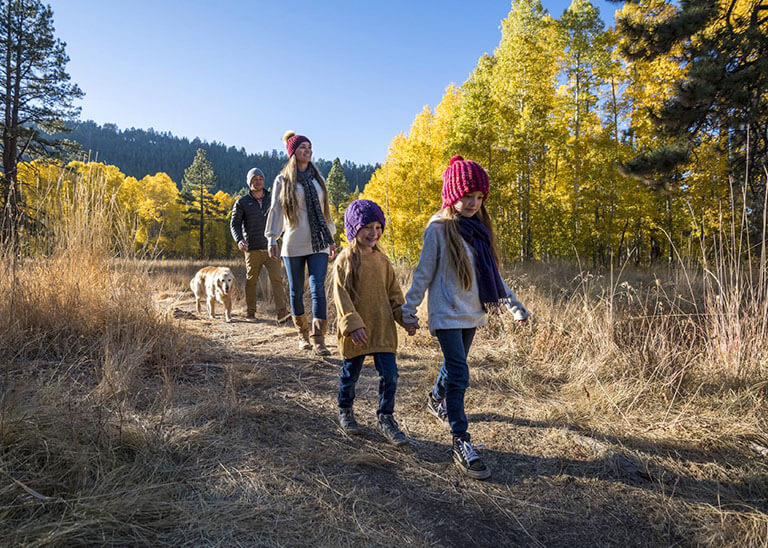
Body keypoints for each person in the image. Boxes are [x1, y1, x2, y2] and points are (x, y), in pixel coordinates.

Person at [402, 155, 530, 480]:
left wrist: (515, 307)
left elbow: (494, 278)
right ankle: (461, 440)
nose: (473, 203)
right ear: (452, 195)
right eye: (467, 196)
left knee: (453, 365)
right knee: (460, 373)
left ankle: (436, 398)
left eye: (479, 197)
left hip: (472, 314)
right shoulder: (438, 229)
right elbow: (422, 273)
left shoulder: (479, 230)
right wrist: (408, 310)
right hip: (446, 314)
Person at [333, 199, 416, 445]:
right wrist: (353, 324)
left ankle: (385, 417)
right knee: (350, 374)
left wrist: (405, 318)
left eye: (378, 227)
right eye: (367, 227)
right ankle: (345, 409)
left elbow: (394, 296)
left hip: (382, 329)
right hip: (356, 332)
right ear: (354, 228)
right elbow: (341, 297)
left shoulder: (383, 261)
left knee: (390, 376)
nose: (374, 233)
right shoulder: (344, 260)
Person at [265, 131, 336, 355]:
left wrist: (331, 237)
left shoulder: (318, 179)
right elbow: (276, 210)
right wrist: (272, 237)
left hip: (319, 242)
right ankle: (302, 335)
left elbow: (325, 211)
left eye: (309, 146)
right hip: (293, 242)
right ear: (293, 152)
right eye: (303, 147)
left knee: (317, 289)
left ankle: (319, 339)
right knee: (296, 291)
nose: (308, 150)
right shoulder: (283, 180)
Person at [230, 167, 290, 323]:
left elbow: (283, 218)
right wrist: (239, 239)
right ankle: (250, 313)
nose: (258, 181)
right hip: (252, 248)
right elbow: (234, 224)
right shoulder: (242, 202)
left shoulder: (273, 198)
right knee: (251, 281)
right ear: (249, 182)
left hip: (272, 247)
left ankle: (282, 312)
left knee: (277, 279)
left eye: (260, 178)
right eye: (254, 179)